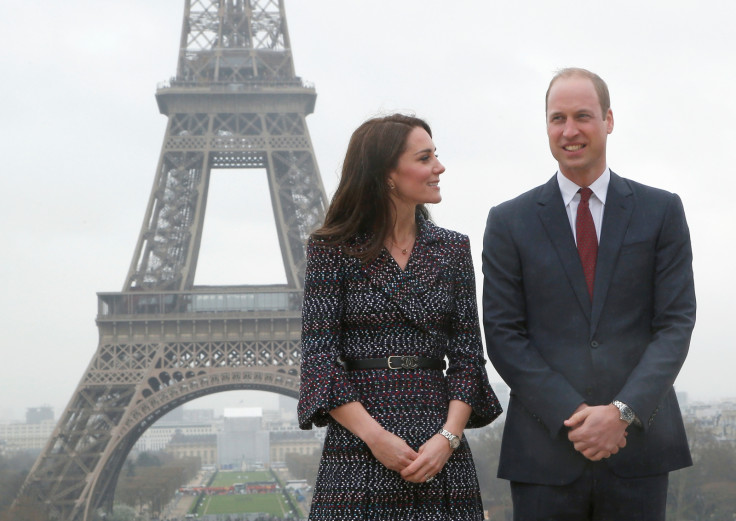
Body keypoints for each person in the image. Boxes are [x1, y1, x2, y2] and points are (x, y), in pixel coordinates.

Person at [482, 68, 696, 521]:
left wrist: (622, 412)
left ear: (609, 120)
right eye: (557, 118)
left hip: (638, 448)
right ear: (546, 125)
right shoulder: (507, 222)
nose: (570, 130)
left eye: (583, 116)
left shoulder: (662, 211)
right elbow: (503, 335)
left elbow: (675, 324)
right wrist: (575, 414)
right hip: (545, 452)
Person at [298, 114, 502, 520]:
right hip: (360, 439)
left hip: (437, 439)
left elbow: (467, 356)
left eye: (435, 156)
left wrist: (447, 438)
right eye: (425, 158)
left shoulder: (452, 249)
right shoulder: (331, 249)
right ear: (387, 174)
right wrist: (376, 438)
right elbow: (319, 359)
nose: (439, 168)